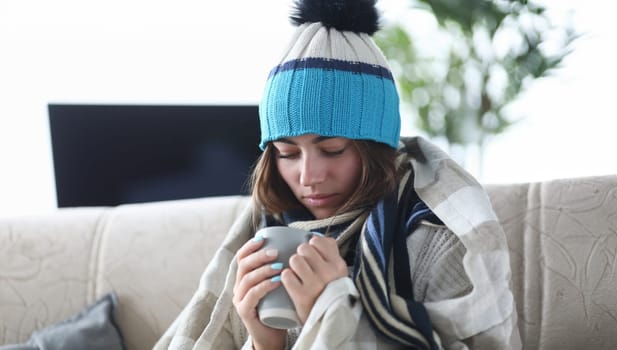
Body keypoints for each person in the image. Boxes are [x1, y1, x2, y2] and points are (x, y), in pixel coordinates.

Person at [154, 0, 520, 349]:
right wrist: (264, 342)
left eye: (332, 150)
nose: (309, 176)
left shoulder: (437, 240)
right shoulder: (265, 231)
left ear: (378, 149)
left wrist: (334, 311)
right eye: (287, 153)